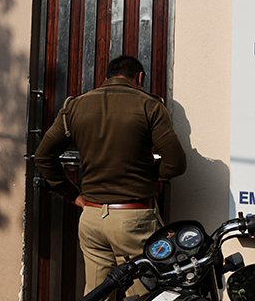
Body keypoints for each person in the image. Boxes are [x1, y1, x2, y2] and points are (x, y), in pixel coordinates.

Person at [35, 55, 187, 299]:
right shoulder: (150, 105)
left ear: (106, 78)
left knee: (96, 294)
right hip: (133, 218)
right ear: (139, 78)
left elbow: (42, 157)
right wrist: (147, 172)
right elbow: (176, 164)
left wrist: (72, 193)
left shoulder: (75, 105)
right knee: (143, 295)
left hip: (92, 217)